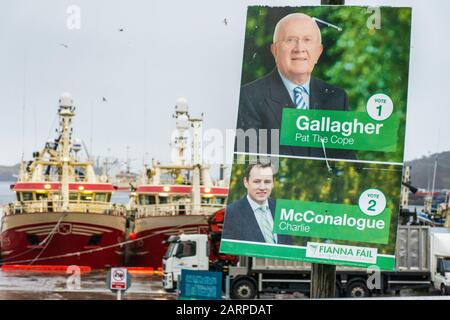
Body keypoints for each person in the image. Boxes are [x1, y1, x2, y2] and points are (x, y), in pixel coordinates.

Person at [236, 12, 355, 160]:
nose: (299, 48)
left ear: (318, 52)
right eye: (291, 40)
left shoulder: (337, 97)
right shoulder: (249, 97)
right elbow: (250, 162)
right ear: (275, 50)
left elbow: (346, 160)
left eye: (307, 40)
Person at [222, 162, 292, 244]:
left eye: (267, 182)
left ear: (273, 183)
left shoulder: (282, 210)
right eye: (257, 181)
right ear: (246, 182)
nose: (262, 187)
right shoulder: (231, 213)